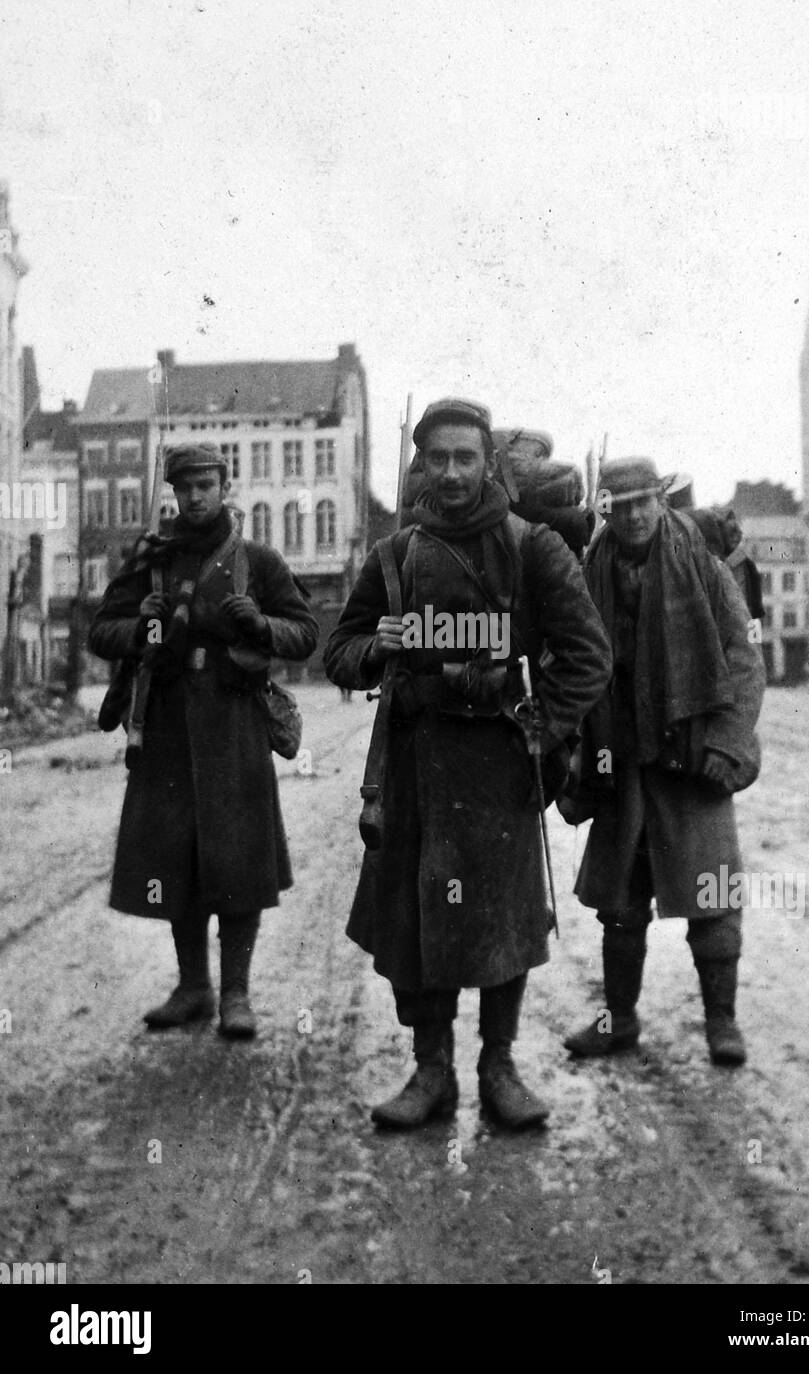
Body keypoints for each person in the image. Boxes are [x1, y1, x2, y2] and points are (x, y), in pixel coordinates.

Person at [324, 398, 612, 1129]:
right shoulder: (394, 555)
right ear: (421, 465)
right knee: (416, 921)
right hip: (415, 764)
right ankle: (431, 1072)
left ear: (488, 464)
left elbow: (588, 655)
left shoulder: (532, 548)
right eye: (438, 459)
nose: (451, 473)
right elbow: (340, 653)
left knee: (502, 922)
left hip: (498, 765)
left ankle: (498, 1068)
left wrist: (541, 728)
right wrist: (378, 646)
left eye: (465, 458)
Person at [89, 444, 318, 1039]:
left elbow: (304, 633)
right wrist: (144, 626)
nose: (194, 497)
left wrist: (260, 624)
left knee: (239, 860)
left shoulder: (257, 561)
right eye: (184, 487)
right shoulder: (152, 560)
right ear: (173, 492)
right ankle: (194, 987)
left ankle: (236, 994)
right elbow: (101, 632)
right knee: (176, 858)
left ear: (224, 487)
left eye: (205, 485)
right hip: (167, 726)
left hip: (234, 723)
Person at [562, 457, 765, 1066]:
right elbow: (572, 658)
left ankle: (722, 1023)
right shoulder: (591, 570)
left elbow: (743, 658)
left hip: (692, 757)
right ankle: (617, 1020)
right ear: (606, 511)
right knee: (620, 907)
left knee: (713, 900)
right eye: (620, 507)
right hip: (623, 762)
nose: (633, 516)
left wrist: (726, 743)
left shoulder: (701, 565)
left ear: (660, 500)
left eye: (643, 502)